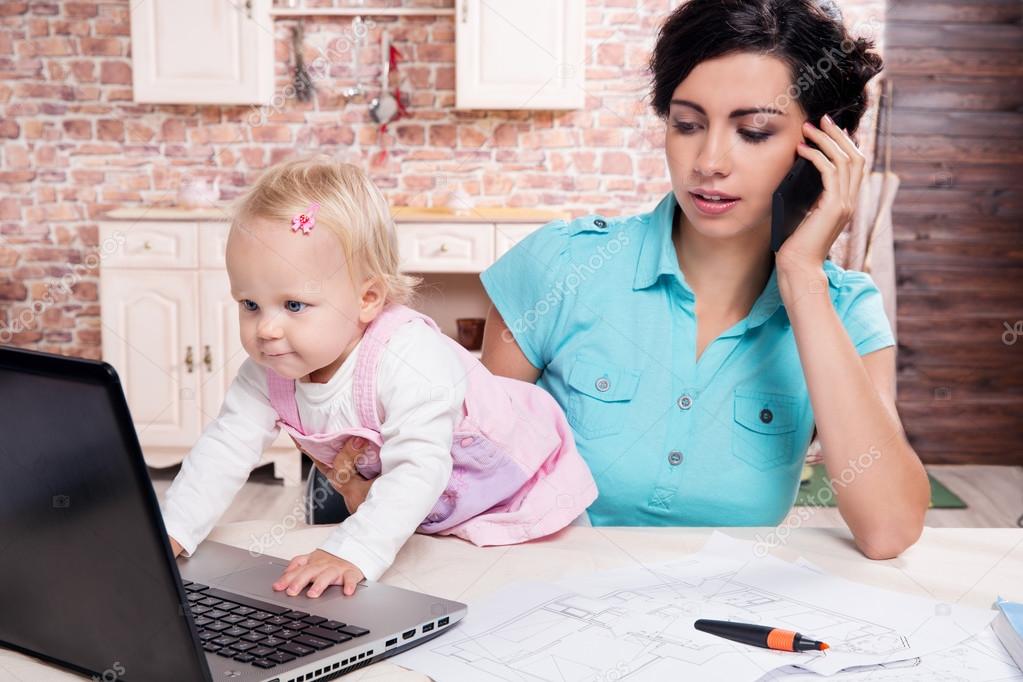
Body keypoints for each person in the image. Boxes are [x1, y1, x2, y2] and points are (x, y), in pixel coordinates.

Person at [478, 0, 930, 560]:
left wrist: (802, 278)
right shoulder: (560, 267)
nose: (709, 161)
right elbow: (472, 479)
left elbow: (888, 530)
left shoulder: (845, 309)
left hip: (728, 621)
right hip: (541, 602)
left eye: (755, 131)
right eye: (687, 124)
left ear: (823, 151)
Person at [161, 156, 597, 598]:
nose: (266, 330)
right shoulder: (269, 369)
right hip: (423, 516)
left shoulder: (409, 356)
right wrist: (173, 531)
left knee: (549, 595)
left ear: (367, 298)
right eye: (249, 304)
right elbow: (225, 447)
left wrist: (353, 549)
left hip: (518, 490)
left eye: (294, 305)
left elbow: (418, 466)